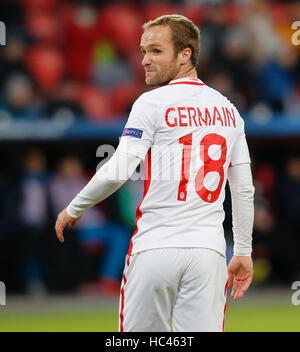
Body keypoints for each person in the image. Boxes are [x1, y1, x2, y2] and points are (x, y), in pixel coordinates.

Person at [55, 14, 255, 332]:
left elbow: (120, 166)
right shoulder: (229, 109)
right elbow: (243, 188)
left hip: (156, 246)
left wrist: (74, 207)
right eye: (143, 51)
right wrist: (243, 251)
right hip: (209, 253)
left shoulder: (152, 103)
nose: (145, 60)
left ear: (185, 54)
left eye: (156, 51)